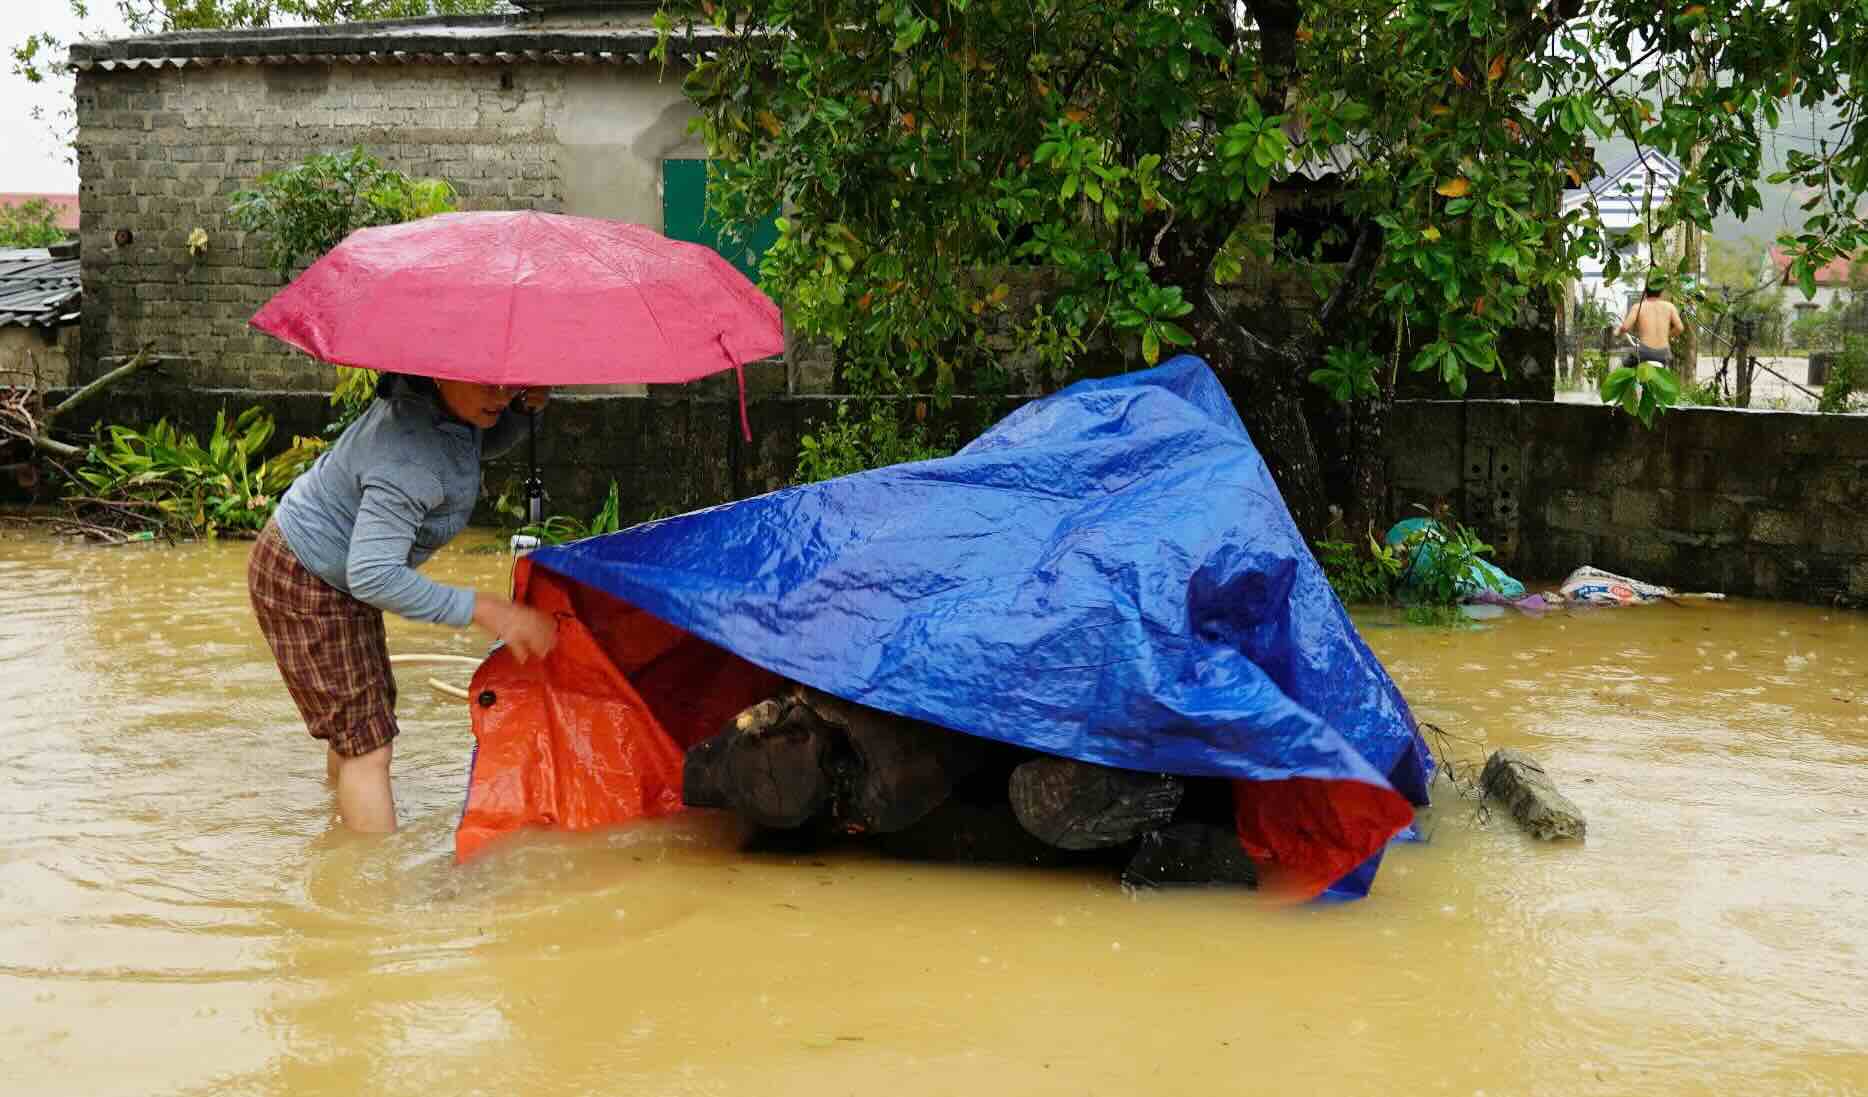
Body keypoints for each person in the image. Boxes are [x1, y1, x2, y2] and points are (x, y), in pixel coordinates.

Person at [247, 373, 560, 833]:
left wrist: (518, 413)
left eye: (506, 385)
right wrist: (484, 609)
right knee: (368, 745)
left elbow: (472, 448)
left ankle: (343, 819)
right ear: (438, 373)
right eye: (487, 386)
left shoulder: (445, 404)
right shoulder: (408, 458)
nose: (499, 395)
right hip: (305, 576)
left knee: (363, 721)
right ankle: (373, 889)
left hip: (333, 569)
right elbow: (374, 575)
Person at [1616, 281, 1685, 366]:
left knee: (1625, 365)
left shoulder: (1638, 307)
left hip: (1645, 352)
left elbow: (1625, 327)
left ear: (1645, 292)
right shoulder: (1669, 307)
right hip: (1663, 353)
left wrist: (1617, 332)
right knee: (1665, 376)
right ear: (1661, 293)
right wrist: (1667, 335)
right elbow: (1680, 328)